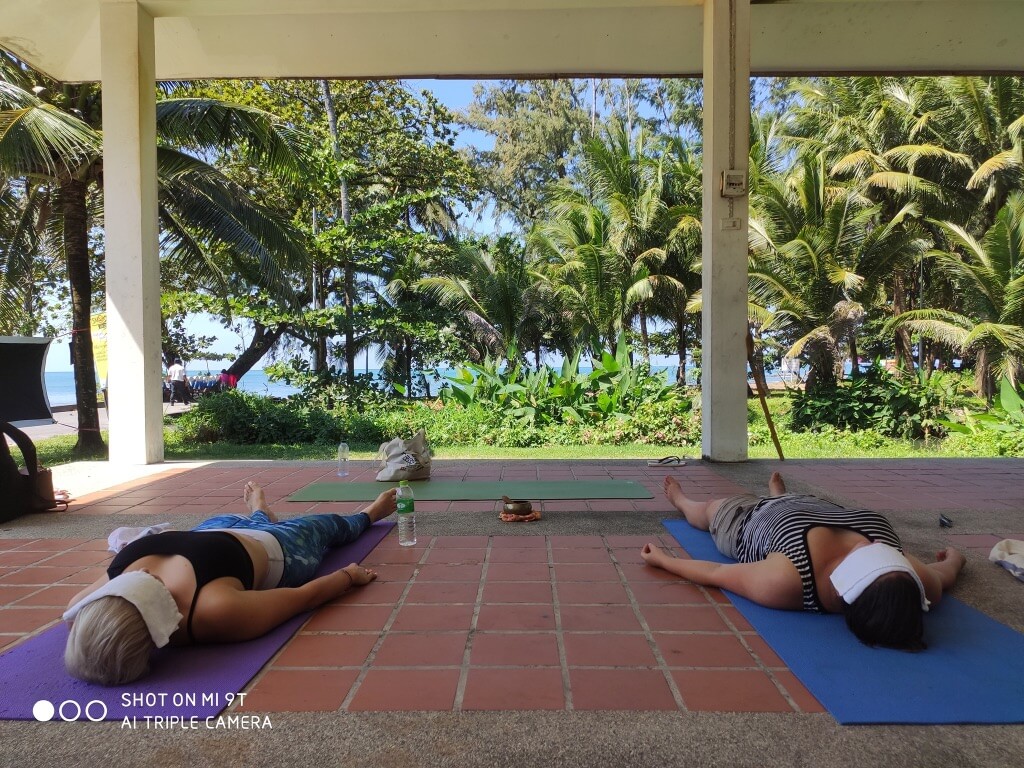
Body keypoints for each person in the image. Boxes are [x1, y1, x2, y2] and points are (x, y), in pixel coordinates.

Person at [63, 483, 398, 685]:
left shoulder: (114, 586)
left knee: (242, 520)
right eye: (143, 587)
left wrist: (92, 635)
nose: (146, 574)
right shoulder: (211, 612)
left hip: (211, 530)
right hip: (280, 548)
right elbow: (303, 597)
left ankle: (260, 511)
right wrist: (348, 577)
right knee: (329, 526)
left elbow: (71, 612)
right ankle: (370, 513)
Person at [642, 472, 966, 651]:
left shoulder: (787, 580)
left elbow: (717, 572)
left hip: (747, 519)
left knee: (710, 509)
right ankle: (778, 494)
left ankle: (682, 501)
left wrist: (663, 560)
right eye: (877, 550)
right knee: (785, 501)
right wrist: (956, 558)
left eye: (865, 553)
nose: (868, 544)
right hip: (810, 506)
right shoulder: (908, 577)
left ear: (844, 593)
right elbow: (945, 574)